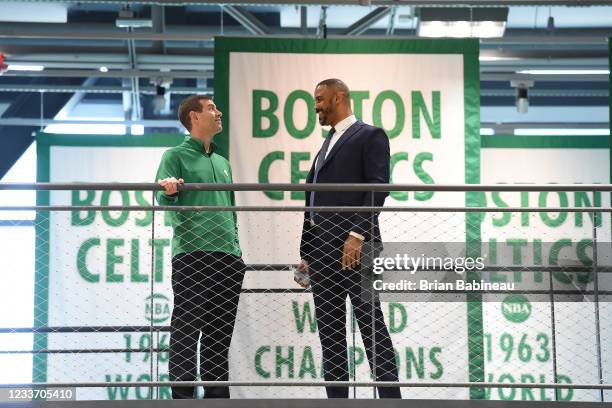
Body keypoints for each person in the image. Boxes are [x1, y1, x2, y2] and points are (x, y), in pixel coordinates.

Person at [296, 79, 401, 399]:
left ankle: (391, 401)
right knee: (330, 337)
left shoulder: (370, 135)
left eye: (319, 99)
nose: (315, 106)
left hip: (357, 247)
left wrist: (358, 234)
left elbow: (378, 187)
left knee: (372, 329)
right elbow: (312, 202)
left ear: (338, 97)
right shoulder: (327, 143)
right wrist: (306, 252)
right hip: (322, 252)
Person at [155, 94, 245, 399]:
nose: (218, 113)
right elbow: (163, 202)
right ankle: (183, 400)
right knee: (186, 331)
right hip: (192, 255)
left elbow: (231, 210)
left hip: (229, 259)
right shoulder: (174, 155)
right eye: (211, 109)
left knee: (219, 337)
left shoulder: (223, 162)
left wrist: (238, 251)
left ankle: (218, 400)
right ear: (194, 116)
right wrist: (168, 192)